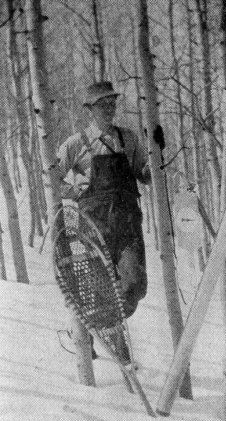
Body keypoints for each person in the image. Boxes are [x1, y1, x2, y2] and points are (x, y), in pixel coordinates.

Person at [57, 81, 151, 359]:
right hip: (93, 229)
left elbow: (142, 174)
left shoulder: (129, 139)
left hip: (127, 226)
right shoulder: (76, 143)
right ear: (89, 110)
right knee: (99, 290)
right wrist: (73, 191)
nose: (108, 109)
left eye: (112, 103)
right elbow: (49, 176)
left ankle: (105, 331)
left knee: (133, 284)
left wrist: (156, 160)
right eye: (102, 105)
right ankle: (106, 342)